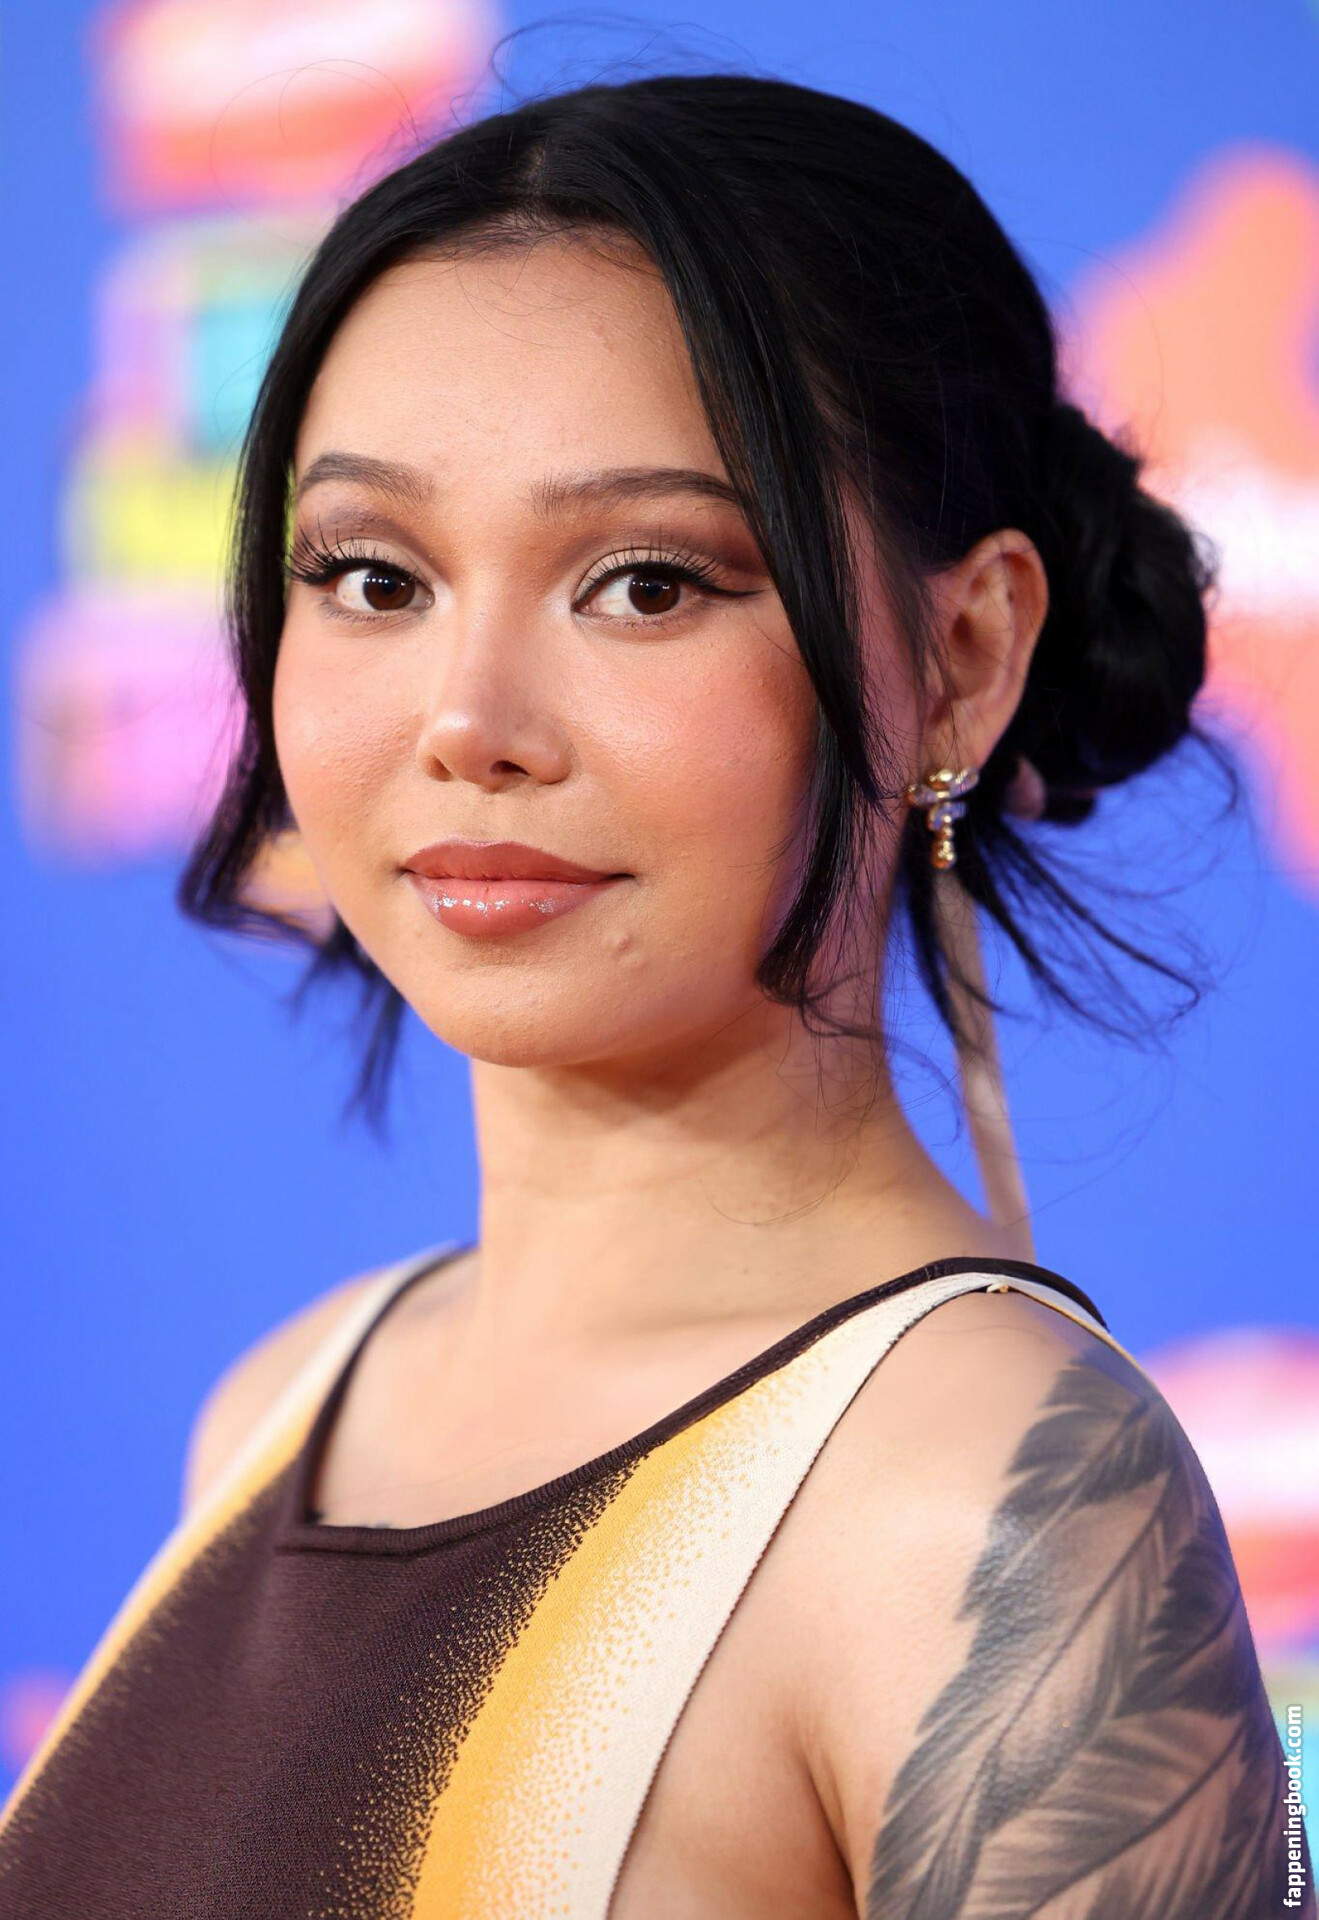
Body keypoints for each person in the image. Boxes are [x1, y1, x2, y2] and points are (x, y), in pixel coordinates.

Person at [1, 70, 1310, 1920]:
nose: (469, 721)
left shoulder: (994, 1504)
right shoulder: (283, 1408)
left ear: (961, 656)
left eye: (641, 585)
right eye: (372, 575)